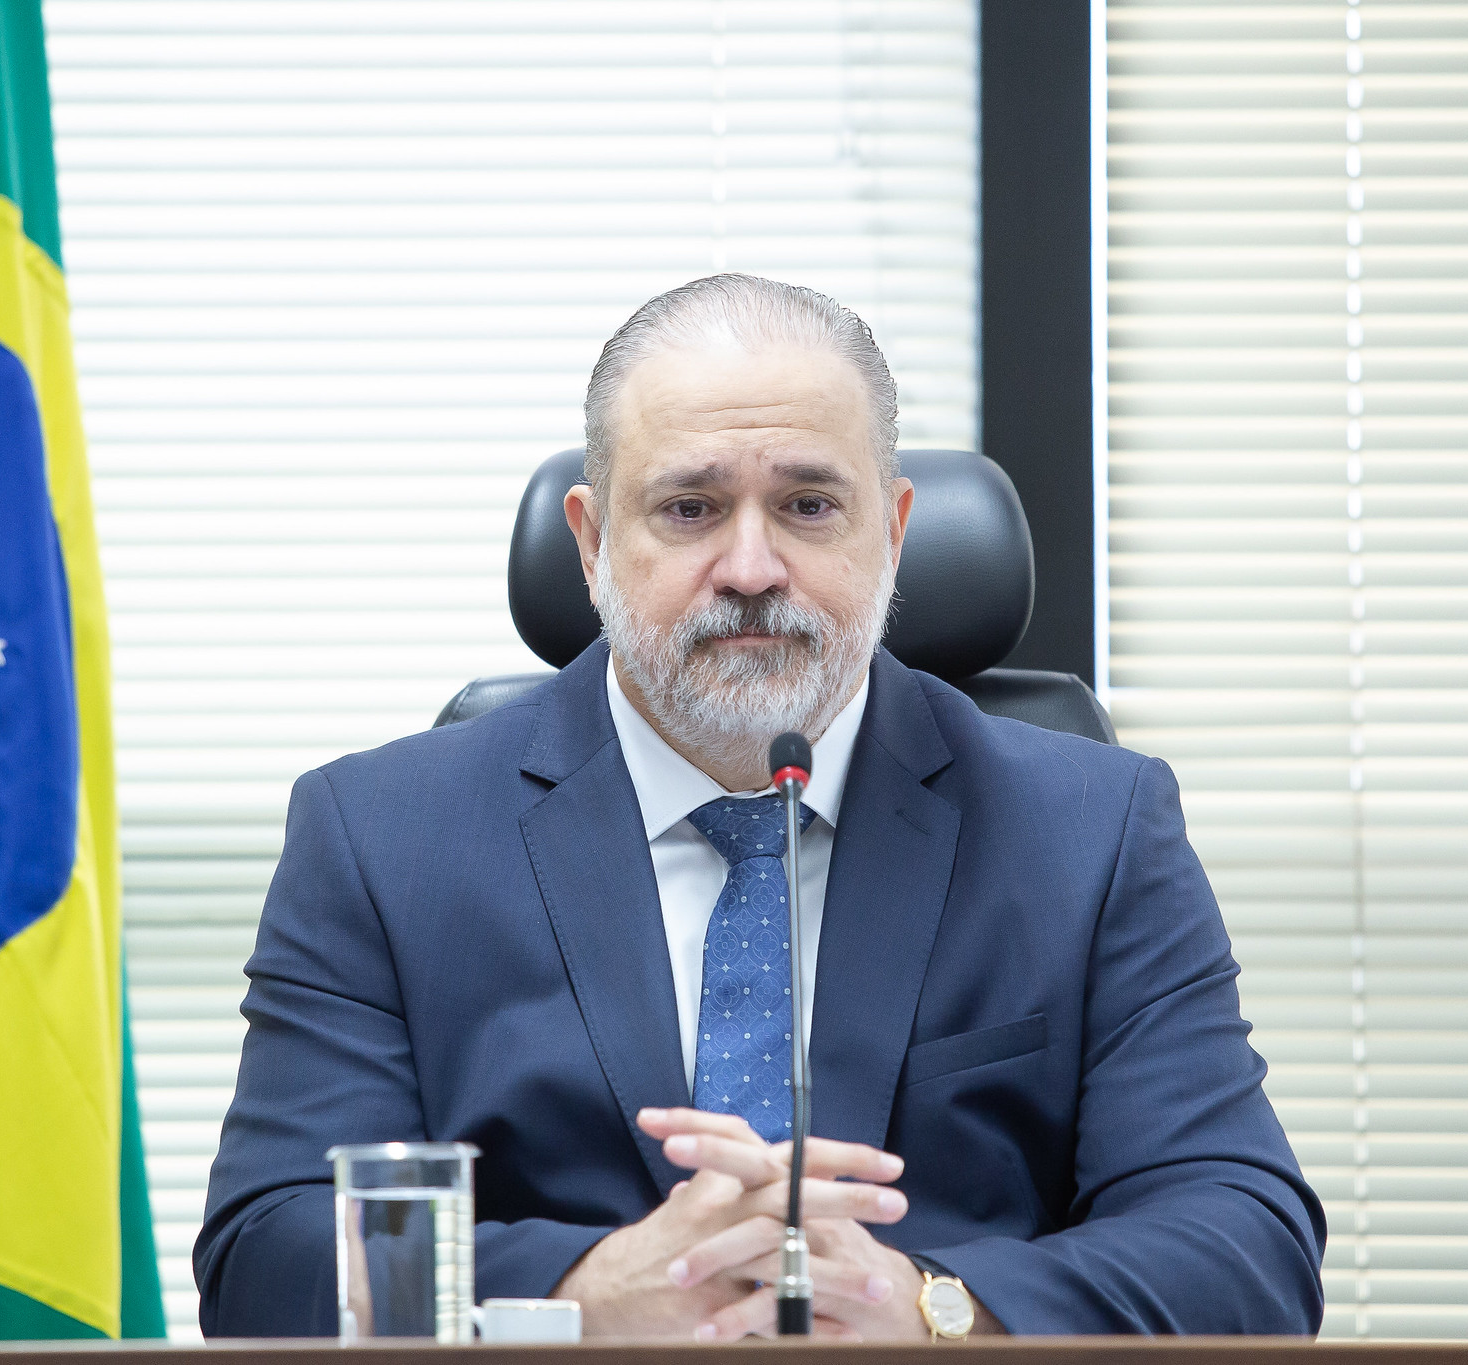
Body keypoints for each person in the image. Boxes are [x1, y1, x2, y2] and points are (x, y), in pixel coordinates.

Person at [195, 274, 1325, 1340]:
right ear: (592, 545)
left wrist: (932, 1307)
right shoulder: (381, 837)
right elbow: (267, 1254)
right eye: (688, 507)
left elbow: (1244, 1245)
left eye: (807, 505)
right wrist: (587, 1294)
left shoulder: (1089, 829)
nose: (749, 566)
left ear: (890, 531)